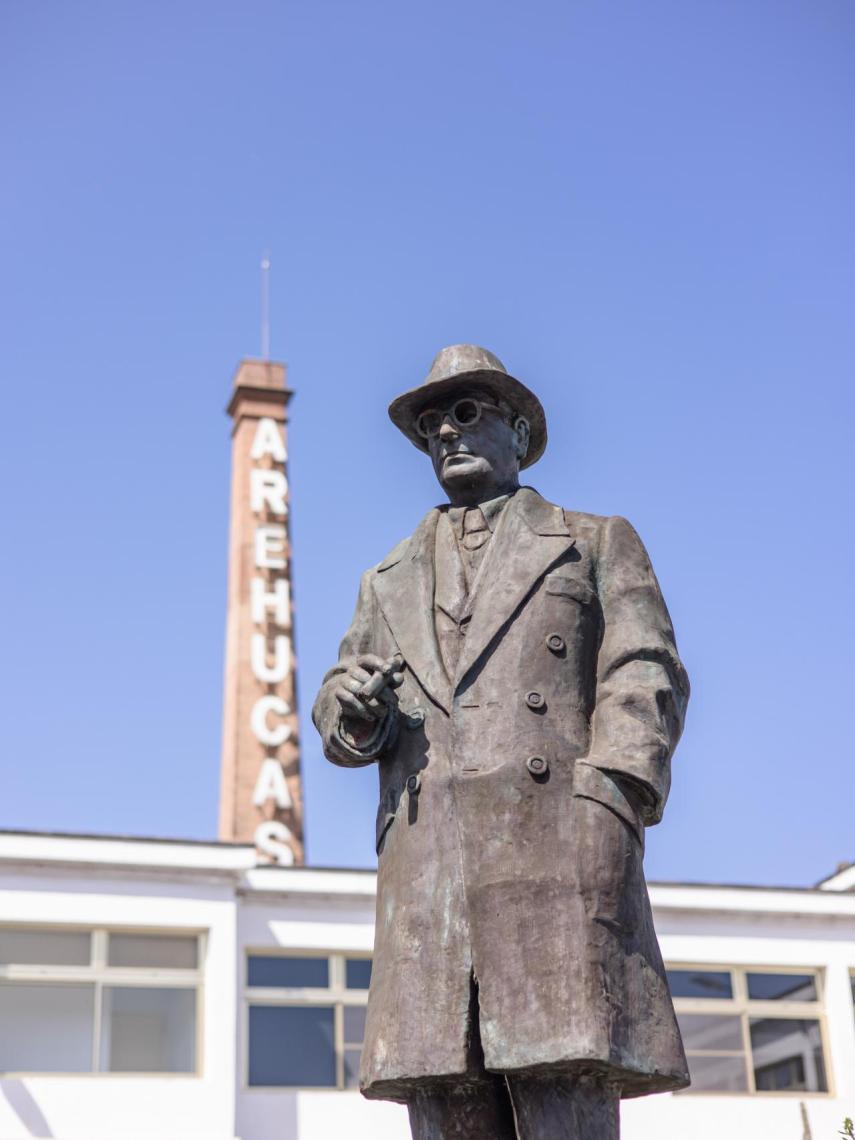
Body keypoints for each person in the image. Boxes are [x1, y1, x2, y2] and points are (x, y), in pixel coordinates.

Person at [312, 344, 690, 1139]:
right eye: (429, 423)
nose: (445, 432)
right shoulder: (386, 578)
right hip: (430, 875)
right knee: (444, 1100)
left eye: (466, 411)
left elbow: (644, 669)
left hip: (555, 855)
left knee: (562, 1093)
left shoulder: (589, 541)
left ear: (518, 431)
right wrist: (346, 709)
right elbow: (348, 715)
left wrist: (609, 801)